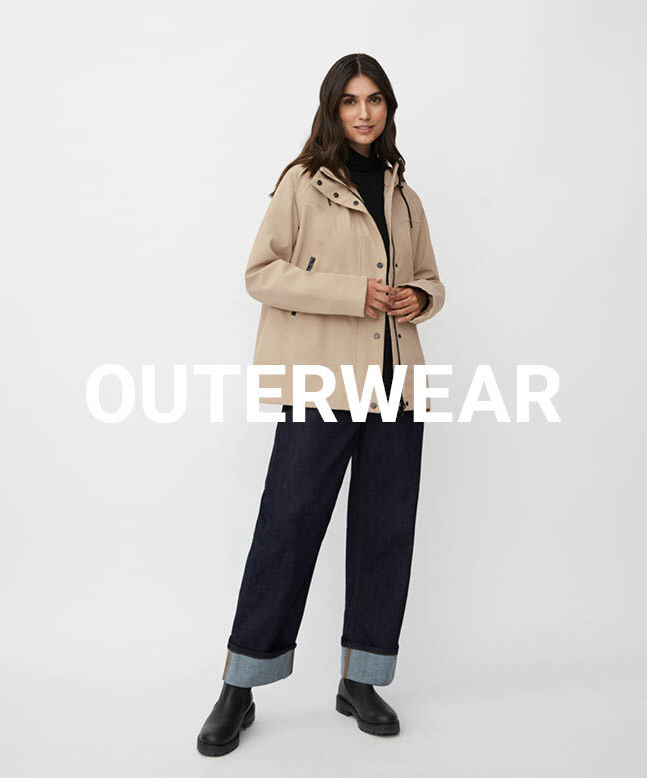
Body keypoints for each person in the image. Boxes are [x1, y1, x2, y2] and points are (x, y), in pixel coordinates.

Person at [197, 52, 445, 756]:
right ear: (332, 108)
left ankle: (360, 681)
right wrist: (351, 293)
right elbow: (261, 273)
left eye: (376, 99)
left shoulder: (405, 196)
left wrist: (418, 297)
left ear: (388, 108)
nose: (364, 113)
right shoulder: (303, 183)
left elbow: (431, 279)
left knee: (385, 531)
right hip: (322, 384)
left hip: (395, 385)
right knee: (287, 525)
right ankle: (240, 687)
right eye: (350, 101)